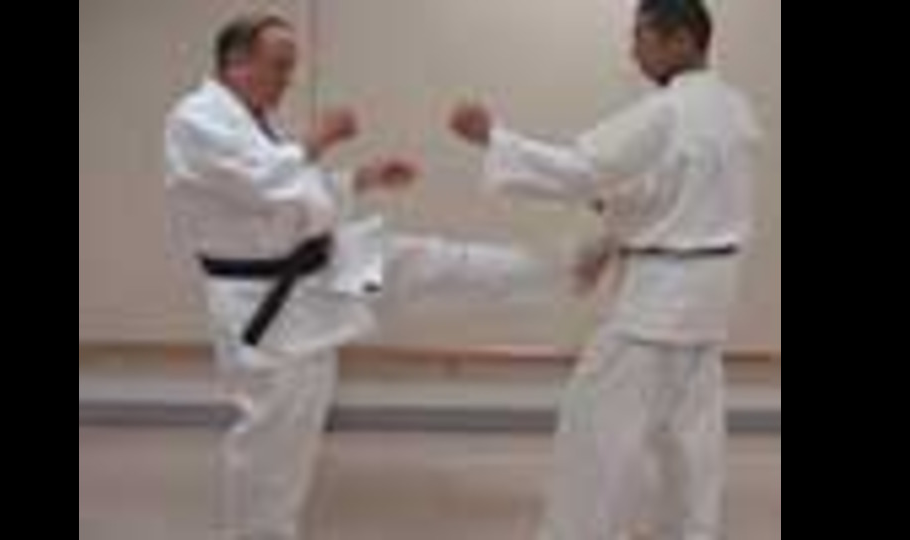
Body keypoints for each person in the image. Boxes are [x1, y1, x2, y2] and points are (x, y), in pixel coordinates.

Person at [165, 11, 552, 540]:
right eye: (279, 66)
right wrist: (316, 139)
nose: (288, 79)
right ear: (237, 63)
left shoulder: (251, 121)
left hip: (319, 272)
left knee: (429, 262)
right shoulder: (195, 119)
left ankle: (558, 268)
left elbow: (293, 197)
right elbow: (262, 181)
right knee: (277, 439)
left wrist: (360, 179)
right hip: (264, 301)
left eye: (291, 67)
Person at [449, 1, 761, 538]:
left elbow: (582, 169)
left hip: (655, 309)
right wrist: (611, 230)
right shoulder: (736, 110)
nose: (633, 52)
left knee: (597, 437)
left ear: (682, 39)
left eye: (643, 37)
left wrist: (493, 138)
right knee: (690, 447)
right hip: (708, 306)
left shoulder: (668, 111)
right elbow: (668, 196)